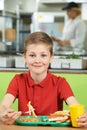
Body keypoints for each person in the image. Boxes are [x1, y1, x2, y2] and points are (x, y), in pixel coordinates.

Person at [0, 32, 87, 126]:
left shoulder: (60, 83)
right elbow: (4, 105)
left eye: (43, 55)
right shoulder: (18, 80)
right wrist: (4, 114)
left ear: (51, 58)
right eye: (32, 55)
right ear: (25, 57)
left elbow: (74, 105)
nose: (37, 60)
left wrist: (83, 116)